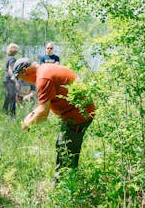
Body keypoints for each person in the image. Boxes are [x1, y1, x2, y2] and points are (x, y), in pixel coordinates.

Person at [12, 58, 95, 186]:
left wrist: (26, 125)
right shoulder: (45, 69)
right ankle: (67, 184)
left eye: (22, 78)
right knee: (64, 147)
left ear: (25, 70)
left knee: (66, 151)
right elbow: (42, 108)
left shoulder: (43, 79)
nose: (24, 81)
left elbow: (43, 113)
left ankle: (64, 188)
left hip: (78, 115)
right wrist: (30, 116)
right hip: (75, 113)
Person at [3, 43, 19, 118]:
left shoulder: (8, 58)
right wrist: (15, 81)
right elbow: (10, 70)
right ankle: (12, 116)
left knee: (8, 96)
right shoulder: (13, 59)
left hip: (6, 79)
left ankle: (4, 111)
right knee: (12, 97)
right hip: (10, 79)